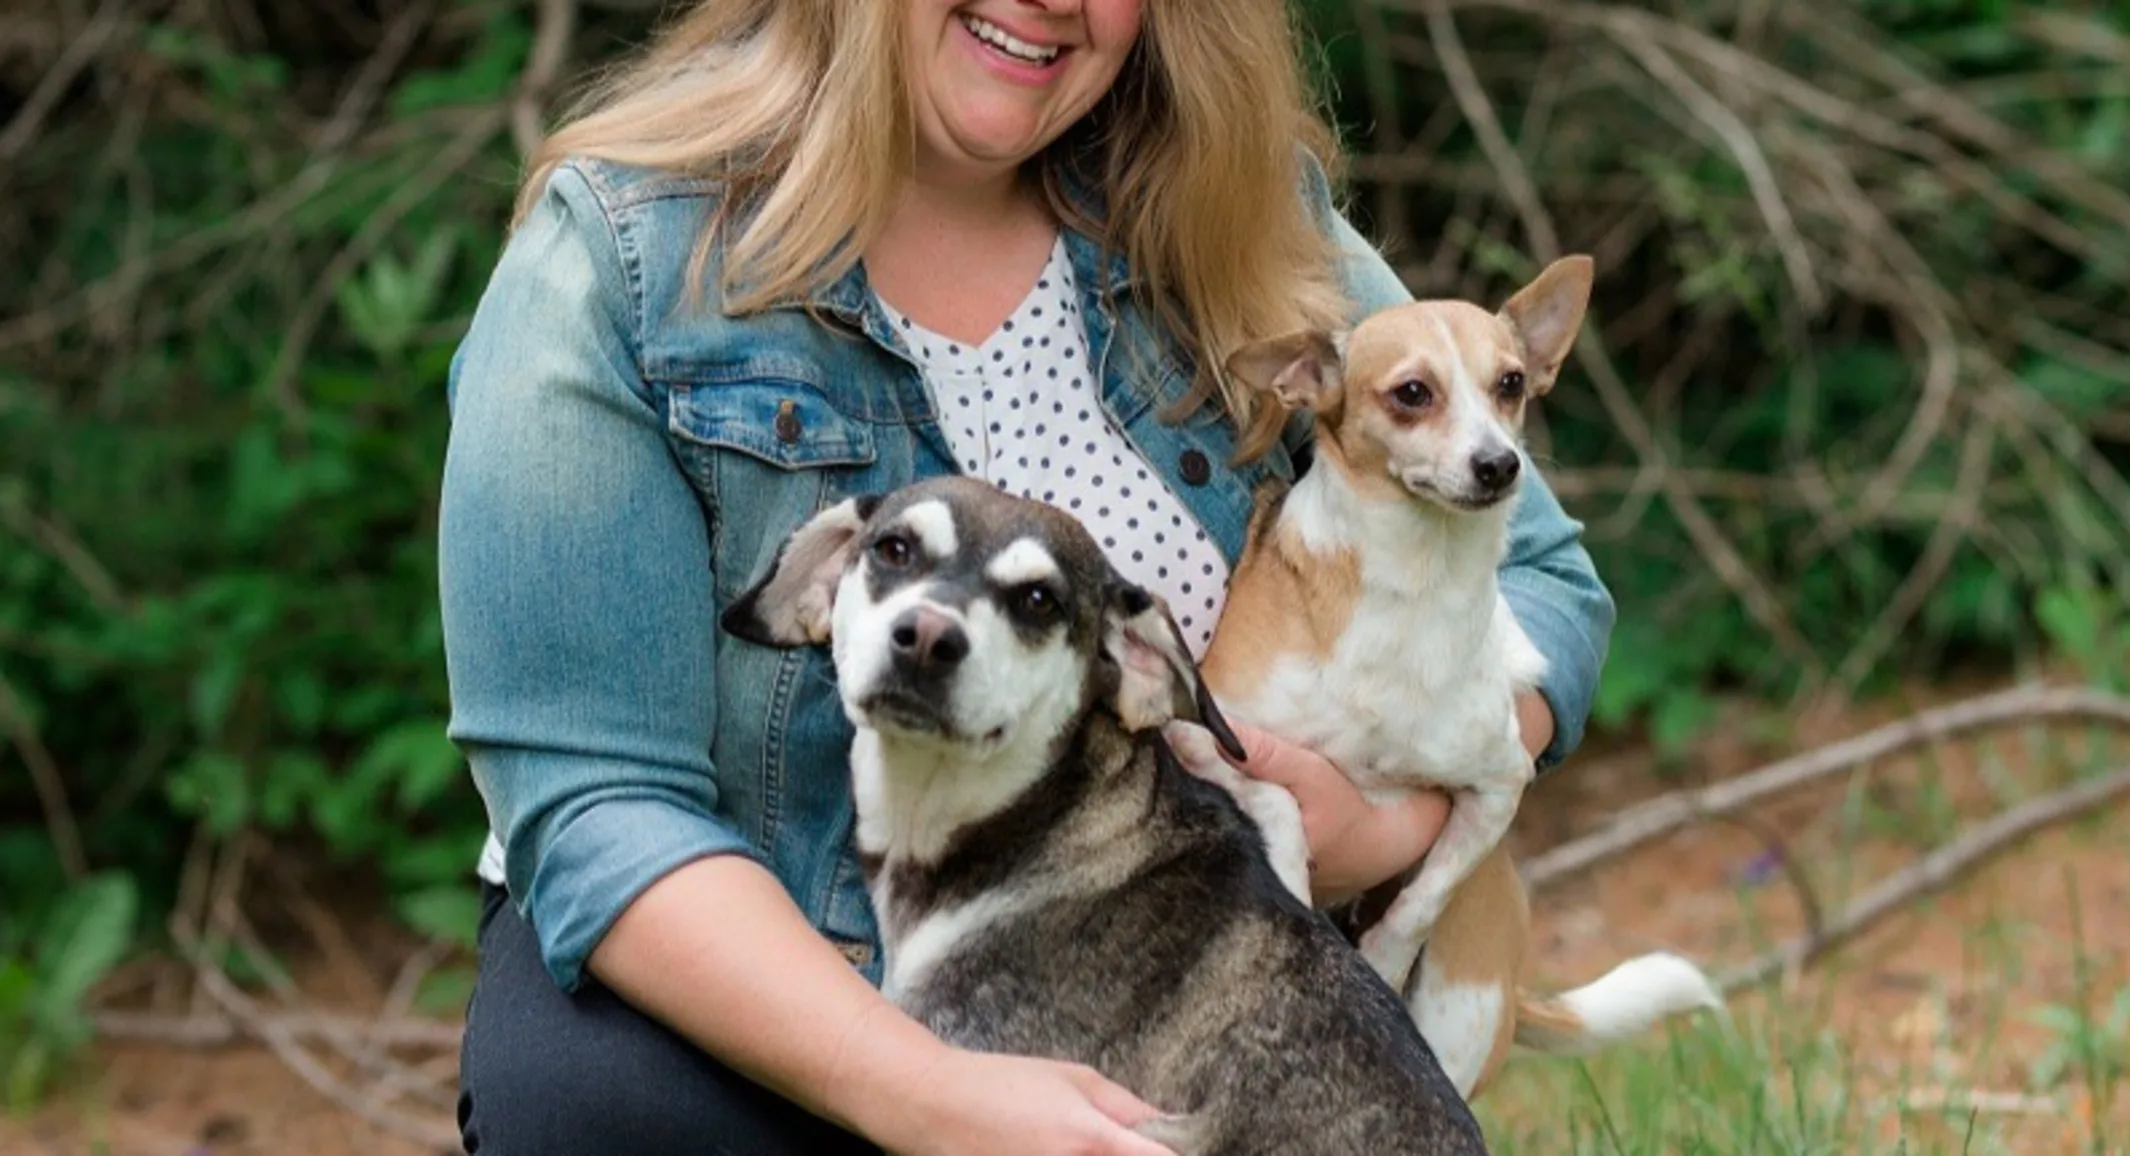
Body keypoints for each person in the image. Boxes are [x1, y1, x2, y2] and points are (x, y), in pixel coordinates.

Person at [437, 1, 1614, 1153]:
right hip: (775, 968)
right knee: (598, 1111)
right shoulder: (621, 263)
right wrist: (915, 1089)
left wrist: (1380, 825)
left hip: (1164, 953)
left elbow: (1550, 585)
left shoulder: (1227, 209)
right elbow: (594, 802)